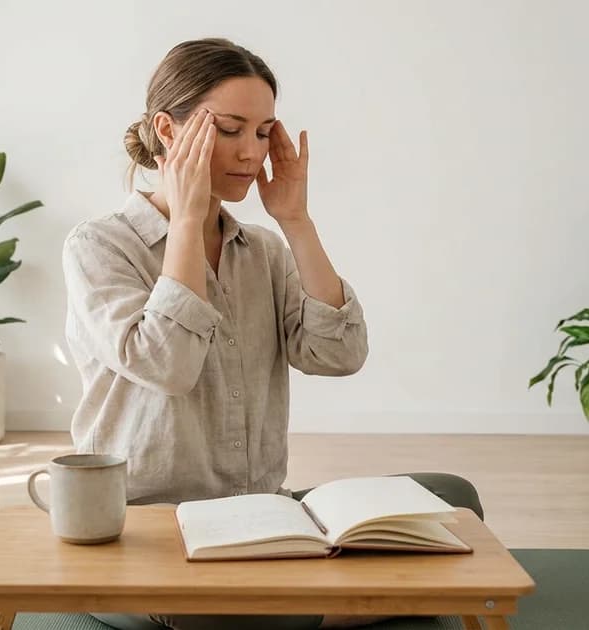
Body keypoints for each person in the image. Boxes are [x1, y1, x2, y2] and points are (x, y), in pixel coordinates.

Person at [61, 38, 484, 630]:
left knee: (454, 498)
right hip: (148, 534)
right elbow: (168, 366)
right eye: (231, 129)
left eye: (263, 133)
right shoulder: (99, 246)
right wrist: (185, 219)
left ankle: (321, 602)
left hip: (261, 518)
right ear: (167, 130)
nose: (250, 153)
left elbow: (339, 354)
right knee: (238, 615)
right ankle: (345, 605)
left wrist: (296, 219)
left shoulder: (261, 248)